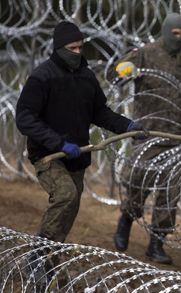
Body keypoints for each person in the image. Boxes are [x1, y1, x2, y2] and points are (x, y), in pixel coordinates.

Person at [15, 21, 144, 243]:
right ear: (59, 48)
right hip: (48, 155)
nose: (77, 52)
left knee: (68, 210)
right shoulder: (42, 77)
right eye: (72, 48)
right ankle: (40, 252)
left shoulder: (86, 77)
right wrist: (58, 143)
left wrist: (127, 126)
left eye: (80, 48)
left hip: (77, 156)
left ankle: (51, 260)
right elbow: (25, 118)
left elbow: (100, 113)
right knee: (66, 196)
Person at [112, 13, 181, 264]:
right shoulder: (145, 53)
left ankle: (156, 244)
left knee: (169, 194)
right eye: (175, 34)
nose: (179, 38)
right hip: (148, 135)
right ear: (166, 31)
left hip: (176, 138)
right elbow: (119, 73)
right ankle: (126, 221)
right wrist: (124, 70)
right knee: (137, 185)